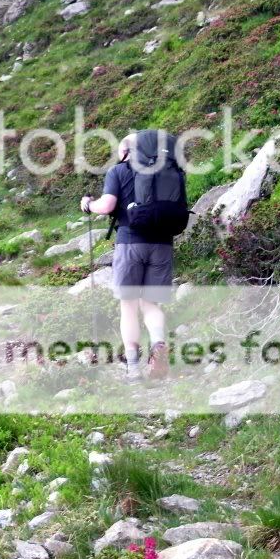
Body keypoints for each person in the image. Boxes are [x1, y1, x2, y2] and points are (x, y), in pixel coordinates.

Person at [80, 133, 175, 382]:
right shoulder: (165, 170)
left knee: (129, 306)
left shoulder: (118, 171)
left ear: (124, 152)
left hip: (130, 242)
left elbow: (107, 206)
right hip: (162, 244)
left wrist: (88, 204)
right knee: (151, 304)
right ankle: (158, 345)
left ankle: (133, 368)